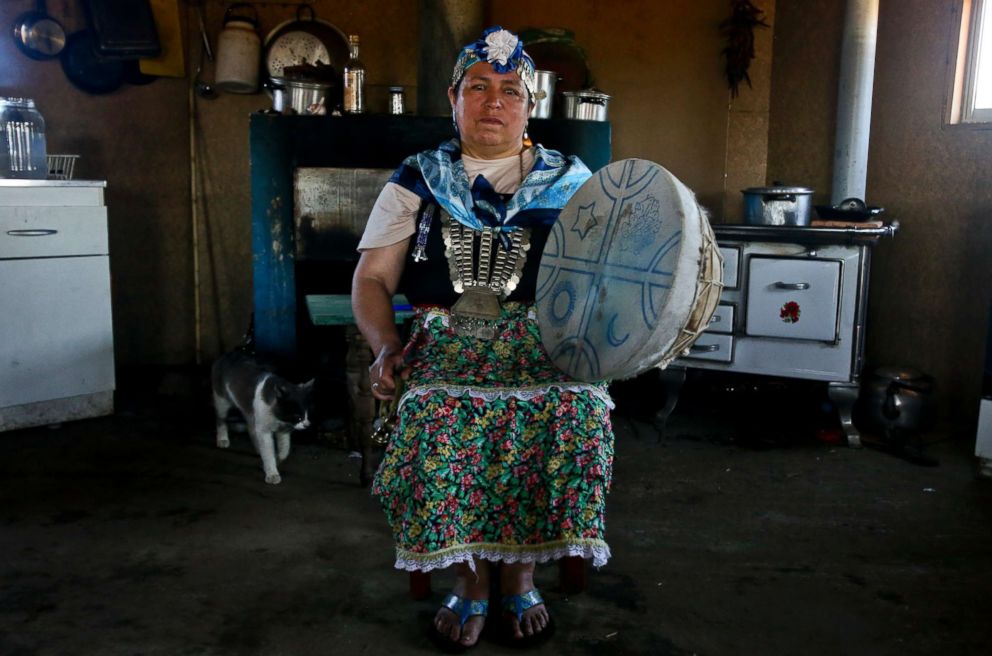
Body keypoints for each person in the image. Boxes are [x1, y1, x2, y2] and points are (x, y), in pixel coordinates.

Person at [351, 26, 615, 650]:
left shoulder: (573, 183)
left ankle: (521, 572)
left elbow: (610, 284)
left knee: (575, 409)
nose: (493, 101)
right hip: (445, 343)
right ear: (454, 98)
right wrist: (387, 346)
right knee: (437, 411)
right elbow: (371, 280)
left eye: (509, 90)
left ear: (529, 105)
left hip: (542, 347)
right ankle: (470, 578)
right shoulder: (417, 179)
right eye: (479, 88)